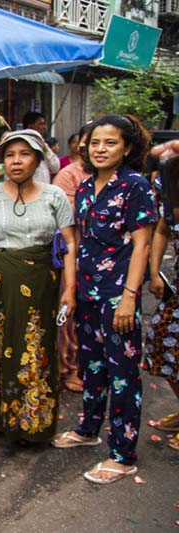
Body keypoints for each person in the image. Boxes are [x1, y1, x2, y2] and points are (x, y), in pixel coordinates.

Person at [0, 129, 76, 453]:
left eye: (24, 154)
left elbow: (69, 245)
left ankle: (29, 422)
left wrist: (70, 290)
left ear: (37, 159)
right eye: (10, 155)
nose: (17, 160)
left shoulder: (54, 197)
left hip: (40, 287)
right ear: (2, 160)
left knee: (34, 348)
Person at [51, 114, 157, 484]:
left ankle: (123, 454)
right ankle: (87, 429)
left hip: (118, 294)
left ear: (127, 147)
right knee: (92, 366)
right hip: (88, 291)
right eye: (95, 142)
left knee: (123, 374)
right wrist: (72, 289)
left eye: (110, 143)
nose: (100, 149)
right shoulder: (83, 188)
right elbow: (77, 243)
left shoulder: (136, 186)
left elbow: (142, 244)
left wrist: (129, 297)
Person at [52, 123, 93, 393]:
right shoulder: (69, 176)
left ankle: (91, 366)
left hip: (108, 261)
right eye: (91, 141)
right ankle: (67, 368)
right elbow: (68, 223)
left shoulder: (122, 179)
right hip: (74, 254)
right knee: (68, 313)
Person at [144, 139, 179, 451]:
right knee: (160, 341)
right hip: (177, 290)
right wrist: (154, 272)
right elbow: (162, 231)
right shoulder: (171, 197)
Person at [22, 111, 60, 184]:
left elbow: (55, 167)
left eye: (44, 124)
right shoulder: (20, 144)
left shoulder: (43, 144)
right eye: (40, 124)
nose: (44, 127)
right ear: (30, 126)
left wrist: (46, 150)